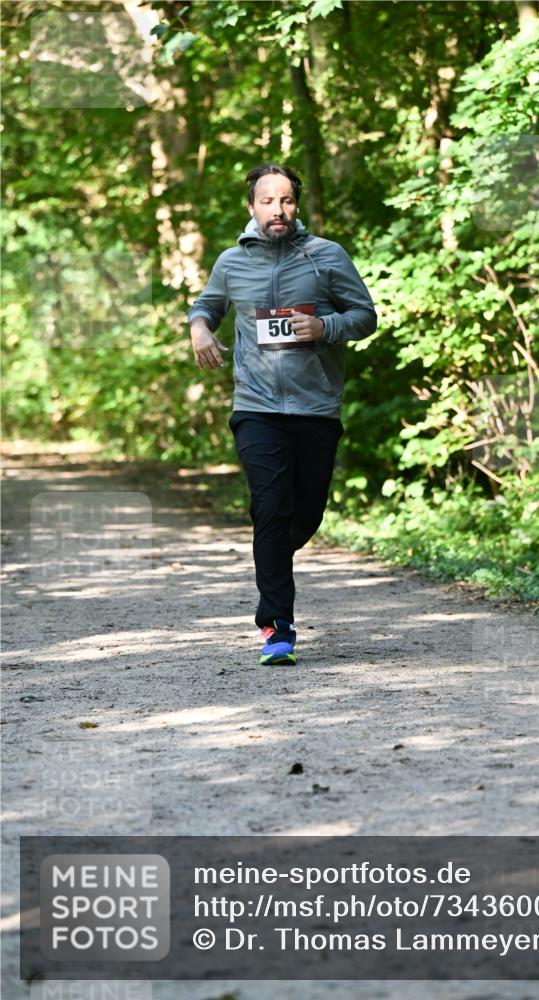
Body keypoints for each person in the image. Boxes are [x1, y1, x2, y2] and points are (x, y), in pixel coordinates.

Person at [187, 163, 377, 665]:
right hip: (256, 407)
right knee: (270, 508)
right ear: (251, 206)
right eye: (268, 201)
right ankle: (278, 627)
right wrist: (201, 329)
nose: (278, 209)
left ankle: (271, 561)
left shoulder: (325, 256)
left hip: (316, 406)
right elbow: (207, 304)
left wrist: (326, 328)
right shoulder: (232, 262)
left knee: (306, 512)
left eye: (287, 200)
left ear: (297, 206)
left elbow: (365, 316)